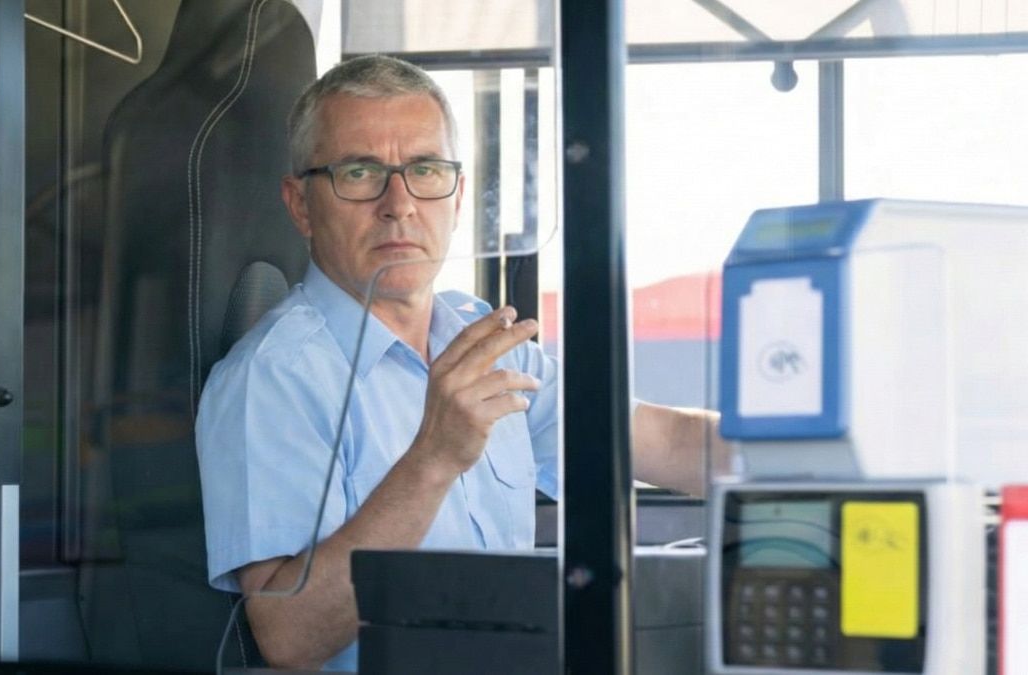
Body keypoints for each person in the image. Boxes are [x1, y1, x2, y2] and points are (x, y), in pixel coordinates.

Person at [195, 54, 726, 671]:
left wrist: (808, 459)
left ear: (459, 194)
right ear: (301, 206)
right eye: (360, 172)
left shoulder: (482, 342)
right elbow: (288, 636)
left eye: (425, 170)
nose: (399, 204)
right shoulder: (272, 378)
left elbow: (663, 441)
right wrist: (434, 458)